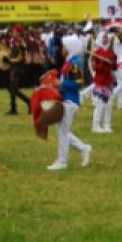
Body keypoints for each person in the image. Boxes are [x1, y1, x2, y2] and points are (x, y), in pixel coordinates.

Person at [49, 34, 92, 170]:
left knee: (62, 131)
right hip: (66, 98)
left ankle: (62, 162)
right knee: (62, 130)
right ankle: (83, 148)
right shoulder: (69, 60)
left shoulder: (75, 62)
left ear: (70, 47)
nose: (62, 48)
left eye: (64, 46)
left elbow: (78, 83)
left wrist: (60, 84)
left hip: (71, 100)